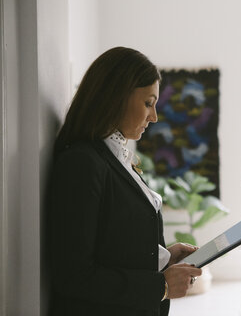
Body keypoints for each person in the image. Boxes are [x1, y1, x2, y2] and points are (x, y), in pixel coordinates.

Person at [48, 46, 202, 316]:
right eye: (148, 103)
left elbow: (115, 244)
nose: (153, 117)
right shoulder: (82, 164)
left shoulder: (115, 157)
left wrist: (164, 257)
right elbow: (73, 275)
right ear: (116, 96)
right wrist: (160, 287)